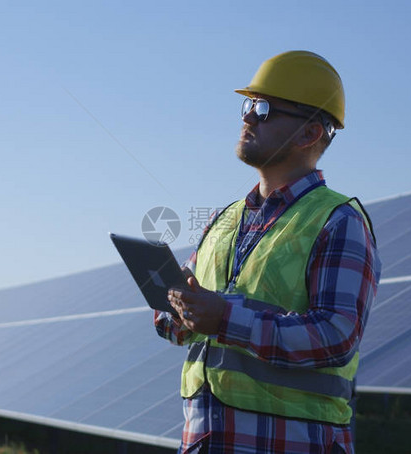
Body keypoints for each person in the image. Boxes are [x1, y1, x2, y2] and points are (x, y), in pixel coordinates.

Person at [154, 50, 381, 454]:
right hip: (206, 441)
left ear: (310, 133)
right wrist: (178, 307)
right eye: (248, 105)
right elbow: (174, 324)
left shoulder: (338, 221)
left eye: (264, 109)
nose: (248, 117)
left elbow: (336, 336)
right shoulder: (224, 221)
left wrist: (224, 317)